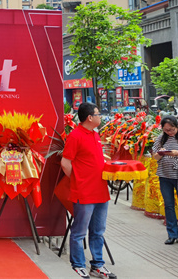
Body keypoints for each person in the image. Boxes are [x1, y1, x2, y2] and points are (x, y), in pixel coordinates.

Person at [61, 102, 116, 279]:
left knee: (98, 231)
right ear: (90, 117)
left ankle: (97, 265)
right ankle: (78, 265)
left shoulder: (95, 134)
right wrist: (78, 180)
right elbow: (65, 162)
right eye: (98, 114)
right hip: (84, 192)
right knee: (79, 232)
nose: (100, 117)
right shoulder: (75, 136)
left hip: (100, 190)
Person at [152, 115, 178, 249]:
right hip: (165, 176)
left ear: (177, 126)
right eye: (166, 130)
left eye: (172, 129)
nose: (169, 132)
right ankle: (172, 235)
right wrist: (161, 153)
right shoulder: (161, 138)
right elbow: (155, 157)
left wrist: (176, 153)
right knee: (169, 205)